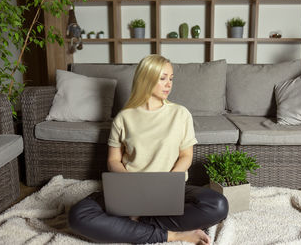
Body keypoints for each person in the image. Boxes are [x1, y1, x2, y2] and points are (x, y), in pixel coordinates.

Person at [68, 54, 228, 245]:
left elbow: (186, 155)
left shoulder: (180, 114)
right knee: (78, 216)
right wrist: (134, 185)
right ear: (146, 78)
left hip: (171, 189)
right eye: (162, 78)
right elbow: (113, 160)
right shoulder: (124, 117)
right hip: (129, 190)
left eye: (171, 78)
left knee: (218, 205)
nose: (169, 84)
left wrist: (169, 183)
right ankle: (172, 235)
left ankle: (133, 224)